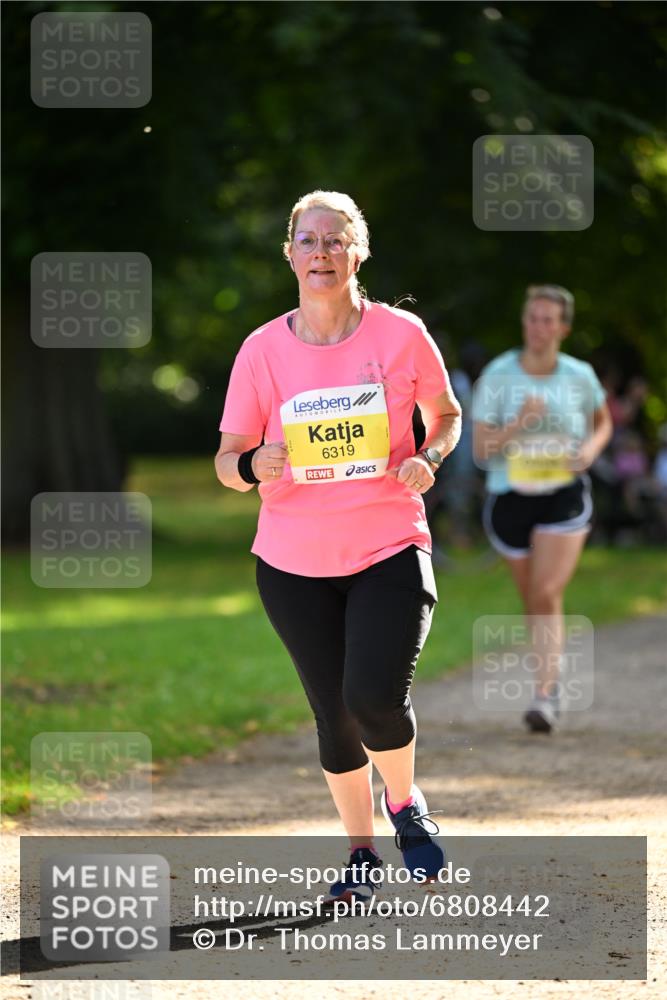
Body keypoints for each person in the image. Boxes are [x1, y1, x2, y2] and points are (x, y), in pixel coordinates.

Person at [215, 190, 461, 903]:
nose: (320, 252)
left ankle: (404, 803)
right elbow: (226, 461)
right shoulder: (262, 349)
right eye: (308, 240)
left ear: (359, 253)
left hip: (388, 544)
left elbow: (445, 414)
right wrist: (252, 464)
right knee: (334, 714)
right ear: (289, 254)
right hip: (291, 563)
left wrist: (429, 456)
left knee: (373, 696)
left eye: (335, 240)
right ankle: (360, 851)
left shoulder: (400, 334)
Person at [472, 285, 612, 733]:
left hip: (563, 495)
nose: (538, 327)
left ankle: (545, 695)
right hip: (510, 498)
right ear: (524, 323)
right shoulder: (498, 375)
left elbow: (603, 421)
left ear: (563, 328)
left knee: (547, 591)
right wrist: (519, 423)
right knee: (533, 597)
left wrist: (590, 449)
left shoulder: (578, 375)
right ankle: (549, 677)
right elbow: (480, 450)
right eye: (532, 318)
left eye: (548, 320)